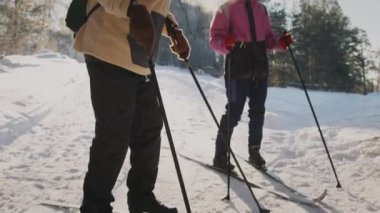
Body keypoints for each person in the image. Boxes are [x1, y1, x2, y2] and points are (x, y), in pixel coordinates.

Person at [72, 0, 190, 212]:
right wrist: (131, 8)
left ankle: (141, 198)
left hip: (140, 59)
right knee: (114, 135)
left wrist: (171, 27)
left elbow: (151, 5)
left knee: (149, 129)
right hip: (109, 49)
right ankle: (95, 207)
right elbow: (136, 6)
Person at [209, 0, 292, 171]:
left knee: (258, 111)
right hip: (237, 69)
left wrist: (281, 43)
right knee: (233, 112)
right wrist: (225, 43)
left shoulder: (261, 9)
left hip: (259, 68)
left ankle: (254, 151)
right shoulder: (227, 8)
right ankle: (220, 156)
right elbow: (214, 39)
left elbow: (268, 39)